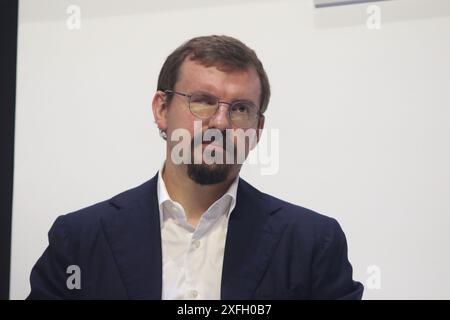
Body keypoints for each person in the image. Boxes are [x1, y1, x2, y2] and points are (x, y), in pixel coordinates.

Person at [27, 35, 363, 300]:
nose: (220, 122)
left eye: (241, 108)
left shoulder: (312, 244)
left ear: (257, 130)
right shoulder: (80, 240)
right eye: (202, 101)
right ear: (162, 109)